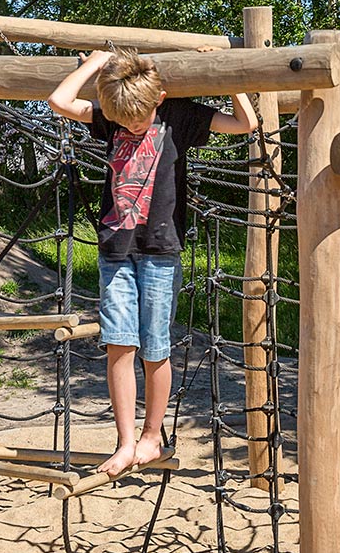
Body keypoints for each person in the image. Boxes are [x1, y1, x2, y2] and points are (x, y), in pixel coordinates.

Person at [48, 48, 258, 476]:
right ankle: (126, 442)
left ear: (159, 96)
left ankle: (152, 435)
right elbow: (59, 101)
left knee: (154, 346)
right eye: (122, 120)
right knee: (119, 344)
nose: (129, 126)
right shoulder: (113, 115)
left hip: (161, 250)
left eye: (136, 120)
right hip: (115, 249)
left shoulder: (178, 116)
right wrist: (96, 63)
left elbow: (246, 124)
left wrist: (225, 69)